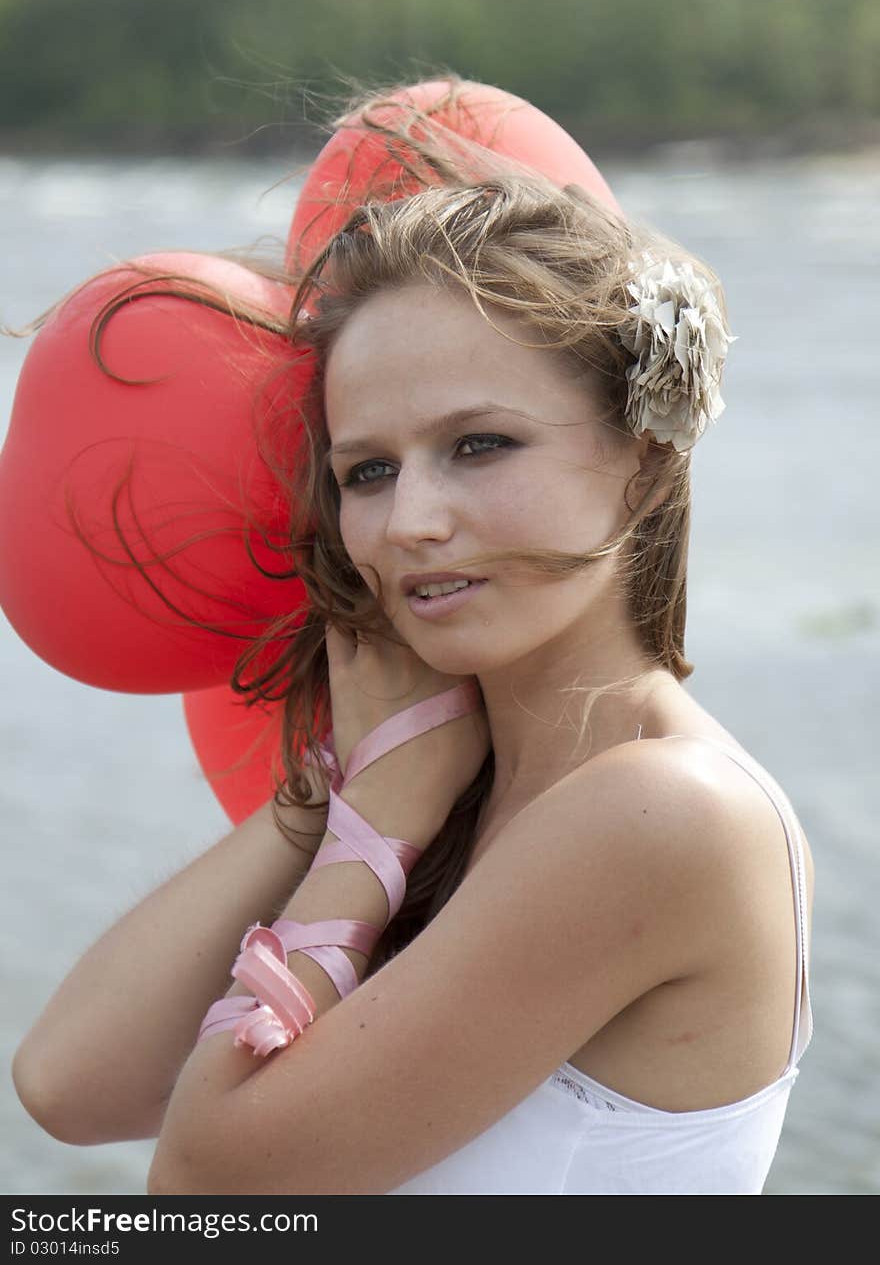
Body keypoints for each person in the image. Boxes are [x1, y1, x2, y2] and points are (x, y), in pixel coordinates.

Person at [11, 93, 814, 1195]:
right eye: (367, 471)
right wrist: (338, 794)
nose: (409, 522)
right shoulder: (455, 786)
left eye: (480, 445)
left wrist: (378, 823)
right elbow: (68, 1083)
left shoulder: (663, 815)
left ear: (641, 455)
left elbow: (204, 1187)